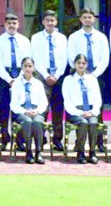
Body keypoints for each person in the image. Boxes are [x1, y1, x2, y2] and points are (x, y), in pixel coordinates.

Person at [67, 8, 109, 152]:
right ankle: (80, 143)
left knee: (97, 108)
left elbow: (105, 58)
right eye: (84, 17)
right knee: (80, 105)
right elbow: (71, 57)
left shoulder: (101, 37)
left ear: (94, 19)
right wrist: (82, 72)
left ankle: (99, 142)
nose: (87, 20)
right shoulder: (74, 37)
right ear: (80, 19)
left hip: (97, 74)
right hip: (79, 74)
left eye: (90, 17)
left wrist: (94, 75)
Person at [0, 13, 31, 149]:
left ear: (18, 24)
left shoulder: (25, 41)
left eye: (14, 23)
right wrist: (9, 79)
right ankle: (3, 139)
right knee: (3, 109)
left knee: (19, 108)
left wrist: (19, 77)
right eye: (9, 23)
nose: (12, 26)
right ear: (5, 24)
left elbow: (27, 60)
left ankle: (19, 140)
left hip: (21, 75)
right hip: (4, 77)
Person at [30, 10, 67, 151]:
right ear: (43, 22)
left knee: (58, 109)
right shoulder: (36, 38)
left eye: (53, 20)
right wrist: (46, 75)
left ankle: (57, 139)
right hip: (41, 76)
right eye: (47, 20)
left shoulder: (62, 38)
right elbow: (36, 59)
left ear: (56, 22)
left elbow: (64, 59)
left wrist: (56, 75)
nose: (50, 23)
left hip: (58, 76)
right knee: (42, 109)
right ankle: (41, 138)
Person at [62, 54, 103, 164]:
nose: (81, 65)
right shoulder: (68, 79)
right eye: (78, 63)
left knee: (94, 123)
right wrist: (80, 113)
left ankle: (92, 152)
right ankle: (80, 152)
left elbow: (97, 99)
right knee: (83, 123)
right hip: (75, 112)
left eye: (83, 63)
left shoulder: (92, 79)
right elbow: (67, 101)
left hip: (90, 111)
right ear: (74, 64)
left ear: (87, 65)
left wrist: (93, 111)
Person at [10, 57, 48, 164]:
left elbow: (44, 102)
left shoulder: (38, 83)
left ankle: (38, 152)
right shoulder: (17, 84)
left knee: (37, 121)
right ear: (22, 68)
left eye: (30, 66)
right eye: (25, 66)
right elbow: (13, 105)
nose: (28, 68)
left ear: (34, 68)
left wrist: (37, 111)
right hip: (22, 112)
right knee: (28, 121)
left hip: (36, 111)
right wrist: (25, 111)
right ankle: (28, 152)